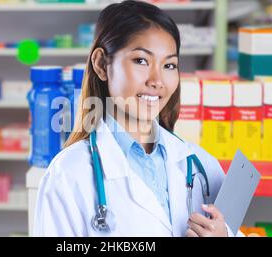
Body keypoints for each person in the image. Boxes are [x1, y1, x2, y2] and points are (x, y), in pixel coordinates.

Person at [34, 0, 239, 237]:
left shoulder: (202, 166)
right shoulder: (68, 175)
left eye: (169, 65)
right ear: (101, 64)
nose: (157, 80)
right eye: (141, 60)